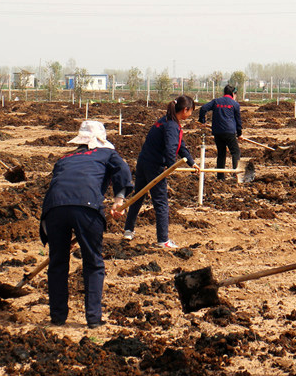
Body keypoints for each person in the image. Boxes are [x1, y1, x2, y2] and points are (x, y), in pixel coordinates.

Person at [40, 120, 133, 328]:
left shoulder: (65, 158)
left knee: (57, 262)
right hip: (86, 207)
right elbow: (123, 171)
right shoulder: (107, 154)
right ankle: (93, 318)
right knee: (93, 262)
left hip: (54, 209)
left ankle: (57, 317)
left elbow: (60, 184)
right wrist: (119, 201)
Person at [123, 95, 196, 248]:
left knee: (138, 196)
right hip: (154, 166)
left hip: (143, 161)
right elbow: (171, 148)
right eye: (191, 112)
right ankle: (163, 240)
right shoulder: (171, 126)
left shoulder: (166, 120)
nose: (190, 115)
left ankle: (128, 230)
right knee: (161, 202)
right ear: (185, 110)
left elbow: (180, 145)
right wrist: (170, 167)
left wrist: (192, 162)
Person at [198, 85, 243, 180]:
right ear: (233, 94)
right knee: (235, 152)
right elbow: (238, 121)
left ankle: (220, 177)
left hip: (217, 132)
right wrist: (239, 134)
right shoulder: (235, 104)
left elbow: (203, 109)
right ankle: (236, 175)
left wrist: (202, 120)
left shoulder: (216, 101)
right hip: (230, 132)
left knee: (221, 153)